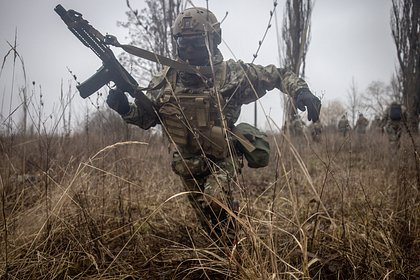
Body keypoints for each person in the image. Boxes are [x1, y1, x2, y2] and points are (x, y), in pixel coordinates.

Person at [106, 7, 321, 244]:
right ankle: (225, 247)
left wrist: (301, 91)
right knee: (210, 221)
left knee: (215, 199)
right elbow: (150, 118)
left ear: (213, 40)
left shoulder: (231, 74)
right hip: (187, 163)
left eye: (196, 43)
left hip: (222, 156)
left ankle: (235, 253)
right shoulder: (165, 79)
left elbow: (277, 75)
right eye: (182, 43)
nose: (188, 50)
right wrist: (125, 109)